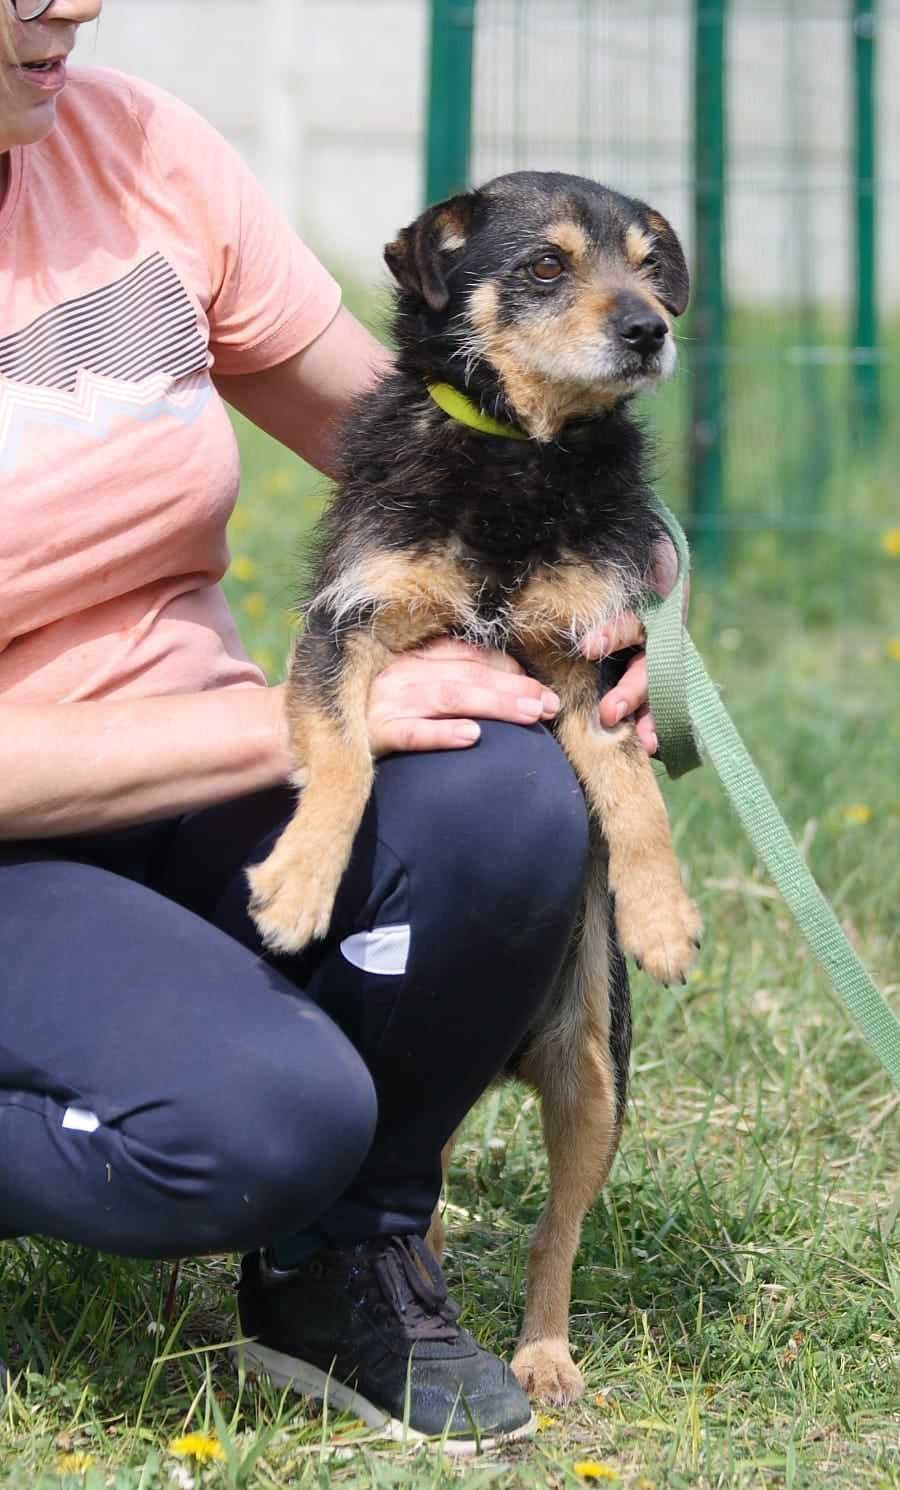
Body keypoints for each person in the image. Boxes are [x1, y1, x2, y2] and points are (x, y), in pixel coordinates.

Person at [0, 0, 674, 1449]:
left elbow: (410, 432)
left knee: (503, 790)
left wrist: (614, 572)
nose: (69, 2)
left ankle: (343, 1262)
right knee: (260, 1126)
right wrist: (275, 732)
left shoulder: (137, 154)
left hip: (192, 780)